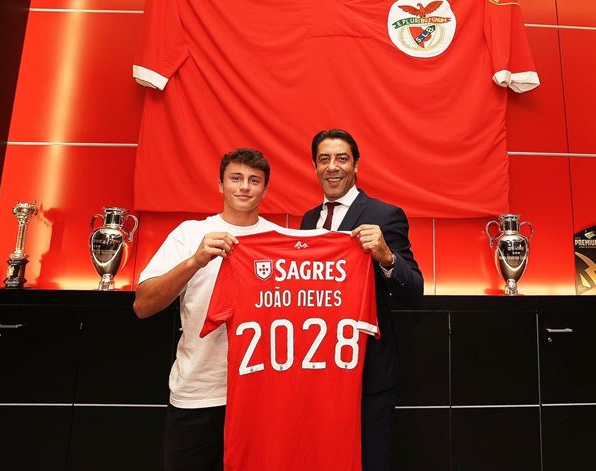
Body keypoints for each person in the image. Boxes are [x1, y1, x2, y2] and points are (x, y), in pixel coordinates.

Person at [133, 148, 280, 471]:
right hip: (198, 392)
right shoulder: (189, 235)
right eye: (236, 178)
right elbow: (143, 305)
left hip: (262, 398)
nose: (244, 187)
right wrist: (195, 261)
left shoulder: (281, 240)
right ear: (220, 184)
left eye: (254, 180)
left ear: (265, 189)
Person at [300, 129, 424, 471]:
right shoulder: (309, 221)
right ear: (314, 166)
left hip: (369, 372)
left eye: (342, 158)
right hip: (319, 369)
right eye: (324, 159)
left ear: (356, 166)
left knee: (371, 460)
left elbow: (414, 291)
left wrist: (386, 257)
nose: (332, 167)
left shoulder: (385, 215)